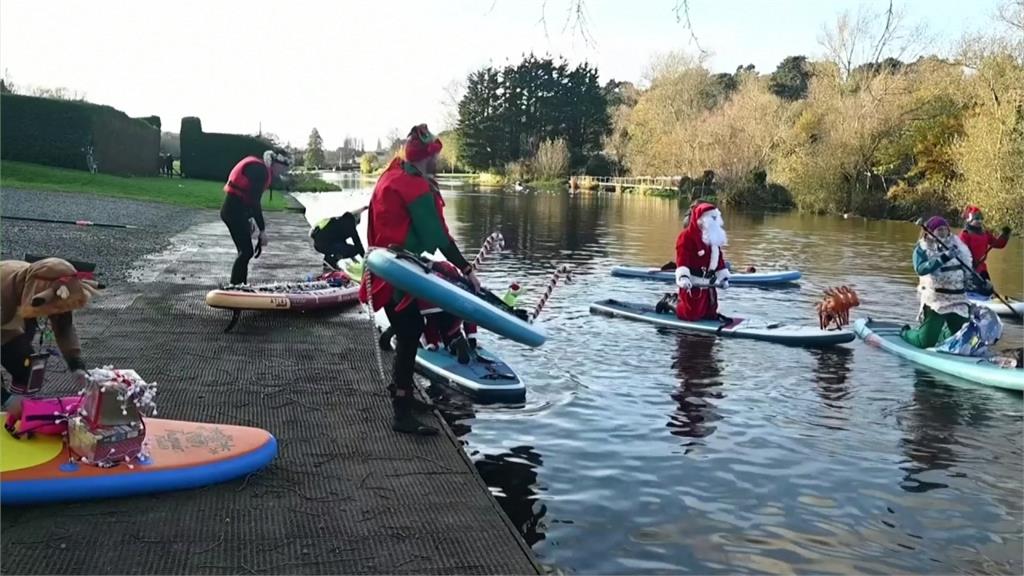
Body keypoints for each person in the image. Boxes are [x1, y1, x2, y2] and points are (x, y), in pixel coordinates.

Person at [359, 124, 480, 435]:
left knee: (409, 330)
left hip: (388, 267)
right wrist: (466, 269)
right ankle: (401, 413)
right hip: (396, 274)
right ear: (427, 157)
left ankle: (404, 393)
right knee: (411, 332)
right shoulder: (412, 185)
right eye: (436, 155)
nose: (438, 160)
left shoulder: (393, 173)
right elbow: (437, 235)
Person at [1, 258, 99, 408]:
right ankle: (9, 404)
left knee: (26, 365)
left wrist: (76, 364)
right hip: (6, 304)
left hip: (21, 302)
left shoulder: (42, 288)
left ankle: (23, 408)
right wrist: (4, 398)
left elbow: (63, 326)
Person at [901, 216, 973, 349]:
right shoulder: (922, 248)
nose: (943, 232)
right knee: (925, 343)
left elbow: (968, 271)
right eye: (939, 230)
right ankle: (906, 332)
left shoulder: (958, 247)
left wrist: (983, 284)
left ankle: (941, 335)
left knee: (964, 339)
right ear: (930, 232)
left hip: (959, 299)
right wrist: (943, 258)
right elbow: (921, 269)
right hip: (936, 300)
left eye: (945, 229)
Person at [221, 150, 292, 285]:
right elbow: (254, 201)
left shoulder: (260, 168)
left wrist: (249, 219)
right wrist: (262, 230)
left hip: (234, 211)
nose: (283, 171)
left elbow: (248, 198)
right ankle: (235, 286)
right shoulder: (261, 171)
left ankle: (241, 285)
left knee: (244, 252)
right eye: (283, 167)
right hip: (233, 212)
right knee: (246, 252)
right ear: (275, 164)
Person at [670, 202, 730, 321]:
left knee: (710, 314)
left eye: (715, 218)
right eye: (711, 218)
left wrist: (723, 277)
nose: (714, 221)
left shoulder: (714, 236)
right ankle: (671, 301)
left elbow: (719, 259)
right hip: (693, 281)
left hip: (709, 282)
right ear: (701, 219)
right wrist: (683, 277)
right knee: (690, 314)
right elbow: (682, 258)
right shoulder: (686, 236)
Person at [958, 205, 1011, 293]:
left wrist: (1005, 235)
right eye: (976, 219)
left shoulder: (985, 233)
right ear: (969, 220)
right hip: (969, 269)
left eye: (981, 218)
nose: (979, 221)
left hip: (982, 269)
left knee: (988, 290)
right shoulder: (965, 235)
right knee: (979, 290)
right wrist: (969, 265)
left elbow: (999, 244)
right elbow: (962, 253)